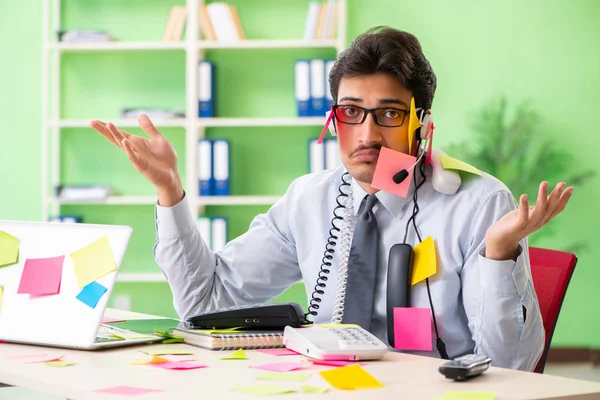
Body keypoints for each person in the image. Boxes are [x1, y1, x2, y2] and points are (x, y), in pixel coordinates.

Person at [90, 26, 573, 371]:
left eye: (388, 114)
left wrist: (498, 252)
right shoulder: (311, 198)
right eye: (351, 112)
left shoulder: (480, 203)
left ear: (422, 125)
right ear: (332, 120)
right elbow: (205, 302)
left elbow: (512, 365)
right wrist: (170, 191)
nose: (367, 134)